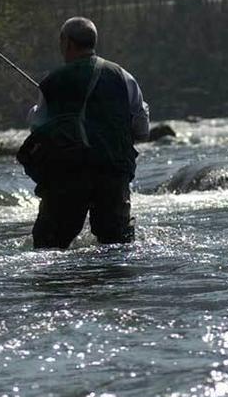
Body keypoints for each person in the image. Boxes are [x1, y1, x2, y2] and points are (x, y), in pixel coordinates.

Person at [26, 17, 149, 248]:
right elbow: (142, 128)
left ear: (67, 43)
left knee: (48, 246)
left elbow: (37, 126)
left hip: (67, 175)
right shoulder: (123, 76)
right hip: (113, 173)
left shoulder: (52, 82)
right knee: (116, 246)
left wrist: (34, 111)